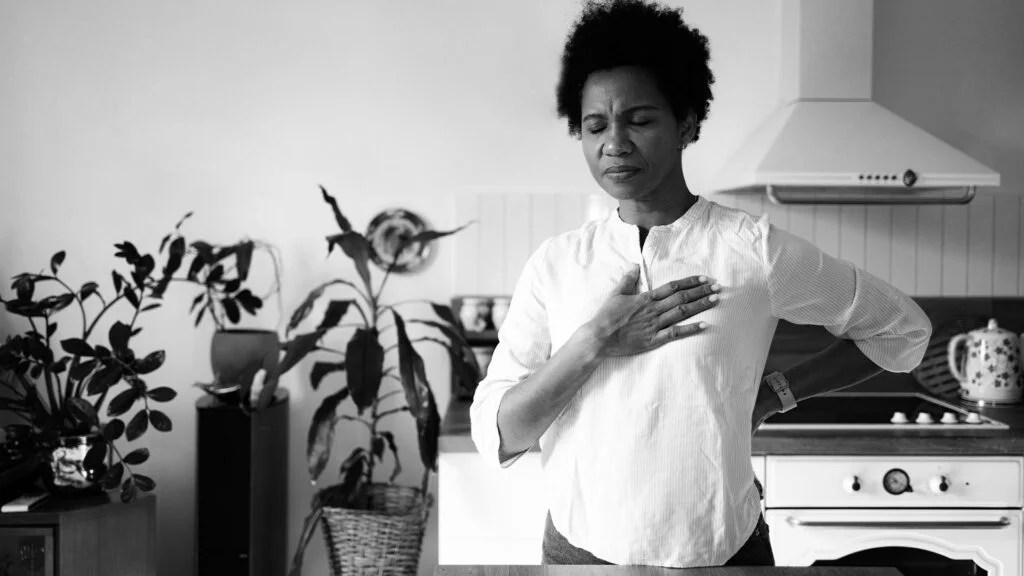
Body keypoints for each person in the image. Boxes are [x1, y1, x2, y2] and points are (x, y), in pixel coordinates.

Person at [469, 0, 932, 567]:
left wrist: (778, 393)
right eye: (595, 126)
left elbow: (903, 330)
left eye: (639, 119)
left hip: (722, 552)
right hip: (580, 553)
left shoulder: (753, 250)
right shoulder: (557, 263)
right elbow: (499, 434)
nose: (614, 142)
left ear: (686, 122)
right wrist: (594, 343)